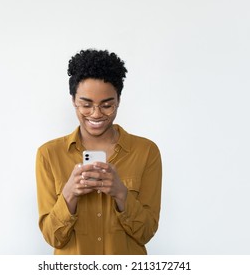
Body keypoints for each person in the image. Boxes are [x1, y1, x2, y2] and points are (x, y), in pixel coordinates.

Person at [35, 49, 162, 255]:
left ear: (118, 100)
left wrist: (121, 193)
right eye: (86, 104)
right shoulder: (49, 155)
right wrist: (69, 194)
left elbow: (146, 232)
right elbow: (53, 237)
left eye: (107, 105)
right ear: (73, 100)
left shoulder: (146, 152)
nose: (96, 114)